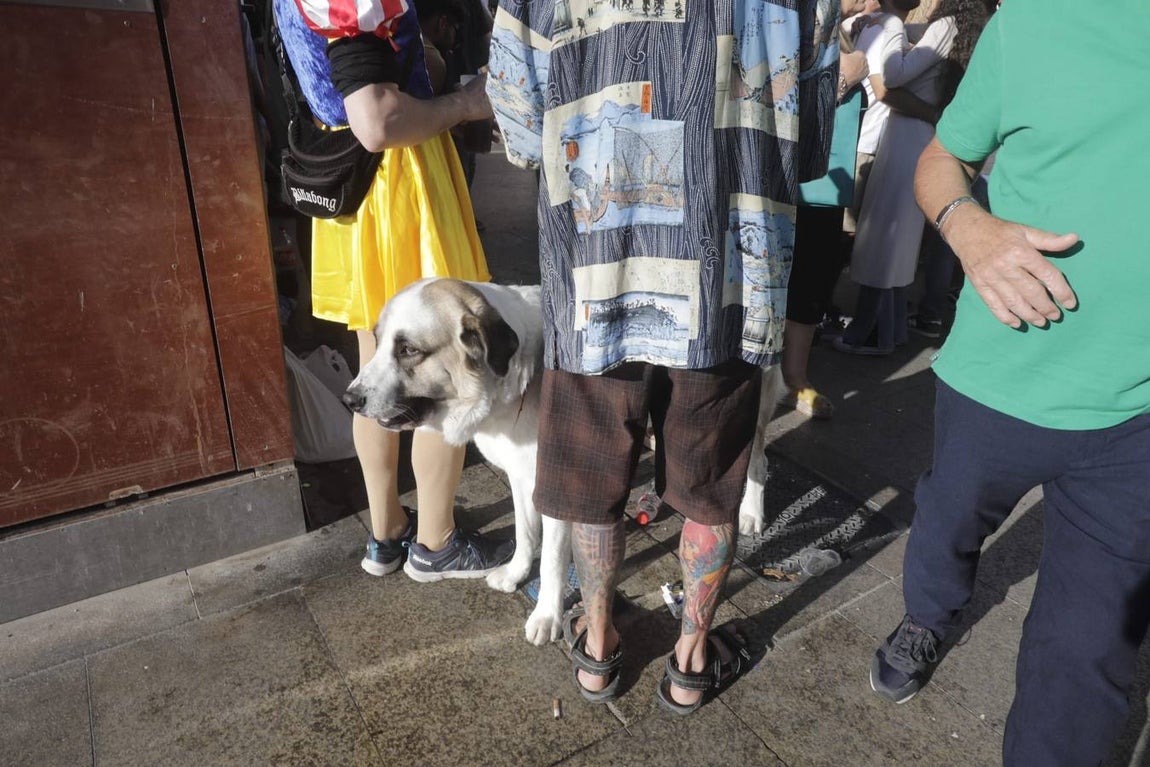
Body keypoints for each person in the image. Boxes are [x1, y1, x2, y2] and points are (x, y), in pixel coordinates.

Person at [487, 0, 839, 711]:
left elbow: (521, 131)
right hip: (731, 277)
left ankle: (597, 650)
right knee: (712, 482)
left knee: (593, 477)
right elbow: (809, 140)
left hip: (597, 277)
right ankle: (691, 657)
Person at [868, 1, 1150, 764]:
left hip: (1137, 419)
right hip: (998, 378)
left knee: (1088, 658)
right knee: (946, 527)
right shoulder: (1036, 19)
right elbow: (942, 158)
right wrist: (968, 227)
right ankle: (927, 615)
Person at [274, 0, 513, 581]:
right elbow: (378, 121)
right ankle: (436, 543)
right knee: (440, 368)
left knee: (376, 366)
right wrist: (465, 102)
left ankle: (386, 534)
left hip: (357, 197)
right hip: (400, 192)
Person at [833, 0, 985, 355]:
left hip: (906, 137)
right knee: (898, 238)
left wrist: (895, 40)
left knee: (885, 237)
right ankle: (892, 330)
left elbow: (893, 76)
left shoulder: (943, 26)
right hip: (916, 135)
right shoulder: (964, 26)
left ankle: (871, 334)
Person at [777, 0, 871, 421]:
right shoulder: (784, 19)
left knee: (812, 279)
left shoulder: (844, 34)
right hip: (780, 177)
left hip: (824, 186)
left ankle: (795, 376)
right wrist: (842, 78)